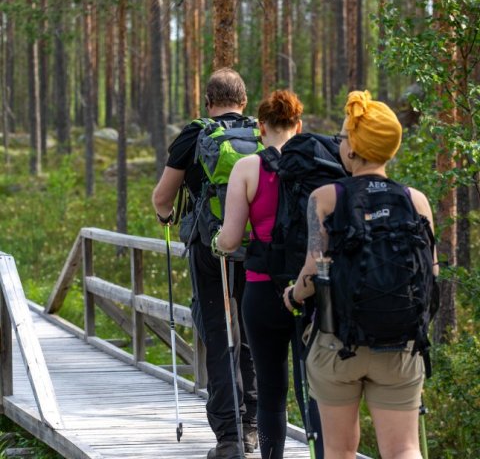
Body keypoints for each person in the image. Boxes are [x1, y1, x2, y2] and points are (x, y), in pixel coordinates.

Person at [283, 90, 439, 459]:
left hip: (338, 344)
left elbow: (312, 272)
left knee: (338, 451)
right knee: (403, 448)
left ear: (352, 149)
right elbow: (431, 274)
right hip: (400, 345)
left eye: (341, 139)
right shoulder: (416, 200)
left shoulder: (324, 198)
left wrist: (292, 295)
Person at [152, 68, 257, 459]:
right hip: (255, 247)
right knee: (249, 334)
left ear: (208, 102)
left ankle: (228, 438)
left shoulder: (194, 135)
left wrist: (167, 218)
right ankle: (251, 429)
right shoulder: (259, 134)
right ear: (243, 102)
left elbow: (163, 198)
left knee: (218, 334)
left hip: (209, 248)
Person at [214, 90, 323, 458]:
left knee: (272, 392)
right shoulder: (316, 169)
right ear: (299, 125)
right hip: (311, 290)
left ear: (260, 127)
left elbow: (229, 241)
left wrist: (216, 241)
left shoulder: (246, 168)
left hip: (262, 292)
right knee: (319, 389)